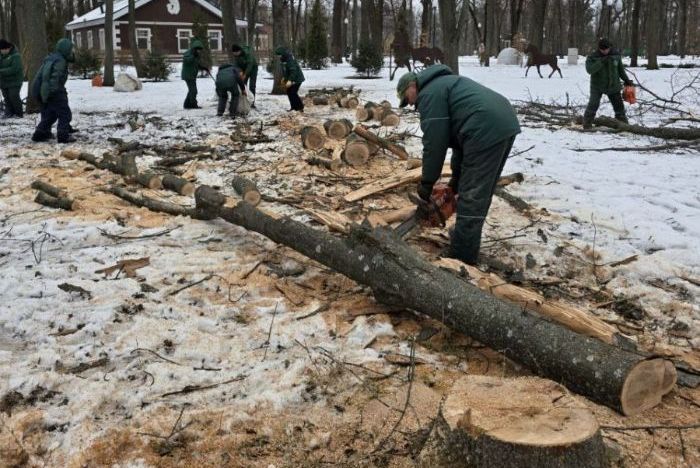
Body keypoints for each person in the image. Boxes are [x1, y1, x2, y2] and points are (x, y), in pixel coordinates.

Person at [396, 65, 521, 265]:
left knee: (473, 196)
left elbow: (434, 144)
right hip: (502, 122)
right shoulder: (442, 84)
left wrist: (427, 184)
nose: (410, 104)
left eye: (407, 99)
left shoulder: (429, 94)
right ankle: (466, 239)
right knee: (480, 189)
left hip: (484, 127)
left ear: (411, 86)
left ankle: (462, 259)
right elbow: (457, 143)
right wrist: (455, 181)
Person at [31, 38, 76, 143]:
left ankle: (40, 133)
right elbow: (54, 77)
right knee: (65, 113)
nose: (72, 51)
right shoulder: (60, 61)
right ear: (65, 49)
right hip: (53, 90)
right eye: (70, 49)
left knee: (50, 114)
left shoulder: (52, 57)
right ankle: (63, 136)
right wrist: (54, 92)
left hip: (42, 90)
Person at [583, 38, 633, 129]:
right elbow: (590, 70)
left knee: (618, 105)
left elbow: (620, 70)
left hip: (613, 85)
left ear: (610, 47)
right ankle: (587, 123)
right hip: (597, 86)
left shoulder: (616, 56)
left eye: (606, 49)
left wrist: (626, 80)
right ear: (599, 48)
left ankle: (622, 123)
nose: (605, 51)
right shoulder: (593, 57)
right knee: (593, 104)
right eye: (602, 49)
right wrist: (601, 62)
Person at [275, 47, 305, 112]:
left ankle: (300, 107)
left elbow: (293, 71)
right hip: (291, 78)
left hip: (297, 79)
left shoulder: (290, 60)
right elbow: (286, 71)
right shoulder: (284, 60)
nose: (278, 57)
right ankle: (293, 107)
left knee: (293, 92)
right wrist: (284, 78)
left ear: (283, 54)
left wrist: (290, 80)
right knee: (289, 92)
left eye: (279, 55)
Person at [0, 38, 24, 118]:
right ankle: (9, 112)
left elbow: (14, 69)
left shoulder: (15, 56)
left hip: (15, 80)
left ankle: (18, 113)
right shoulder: (1, 56)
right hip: (4, 81)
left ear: (8, 48)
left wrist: (1, 71)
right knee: (6, 97)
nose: (2, 51)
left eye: (3, 49)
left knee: (14, 96)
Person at [181, 38, 208, 109]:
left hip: (192, 75)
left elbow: (196, 64)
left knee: (191, 90)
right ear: (194, 49)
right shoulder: (188, 53)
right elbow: (187, 61)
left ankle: (186, 104)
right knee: (194, 91)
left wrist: (203, 67)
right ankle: (193, 104)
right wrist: (194, 56)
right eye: (198, 49)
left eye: (200, 50)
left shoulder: (196, 55)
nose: (199, 51)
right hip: (188, 75)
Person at [231, 44, 258, 108]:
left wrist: (245, 74)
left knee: (252, 85)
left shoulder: (247, 54)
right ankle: (244, 102)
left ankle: (252, 102)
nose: (235, 55)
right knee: (243, 85)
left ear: (239, 51)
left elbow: (250, 65)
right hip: (243, 69)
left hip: (253, 68)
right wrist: (240, 72)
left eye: (236, 53)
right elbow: (236, 65)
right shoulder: (236, 56)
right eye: (234, 53)